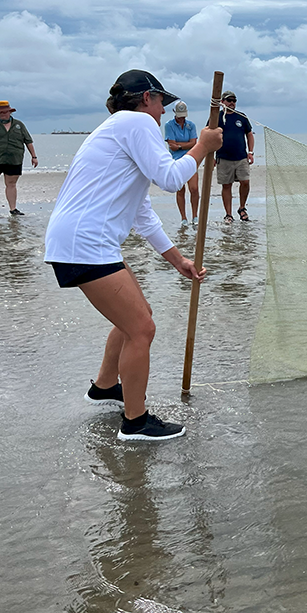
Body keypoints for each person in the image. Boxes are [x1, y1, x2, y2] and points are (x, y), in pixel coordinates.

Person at [44, 69, 223, 442]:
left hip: (85, 241)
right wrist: (202, 147)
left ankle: (106, 387)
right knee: (142, 328)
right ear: (147, 98)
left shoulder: (120, 129)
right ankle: (136, 422)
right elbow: (171, 179)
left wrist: (178, 261)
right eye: (162, 103)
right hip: (85, 242)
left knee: (136, 319)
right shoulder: (135, 123)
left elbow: (141, 210)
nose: (163, 112)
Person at [0, 101, 39, 216]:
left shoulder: (19, 125)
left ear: (10, 112)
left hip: (14, 159)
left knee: (11, 184)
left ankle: (13, 209)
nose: (2, 114)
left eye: (5, 112)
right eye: (0, 112)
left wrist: (34, 157)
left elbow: (28, 141)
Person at [215, 90, 254, 223]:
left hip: (241, 157)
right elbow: (209, 135)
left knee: (245, 182)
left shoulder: (241, 117)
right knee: (226, 185)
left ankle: (242, 208)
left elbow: (249, 134)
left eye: (234, 100)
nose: (232, 103)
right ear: (222, 102)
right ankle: (228, 214)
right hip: (223, 157)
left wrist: (251, 152)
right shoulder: (217, 117)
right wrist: (211, 157)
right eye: (229, 100)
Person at [165, 101, 200, 226]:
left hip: (191, 158)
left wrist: (179, 145)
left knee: (194, 188)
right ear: (175, 113)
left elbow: (194, 143)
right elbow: (171, 146)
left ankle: (195, 216)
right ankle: (183, 217)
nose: (182, 117)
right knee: (180, 189)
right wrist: (184, 145)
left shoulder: (191, 125)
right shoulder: (169, 125)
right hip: (176, 160)